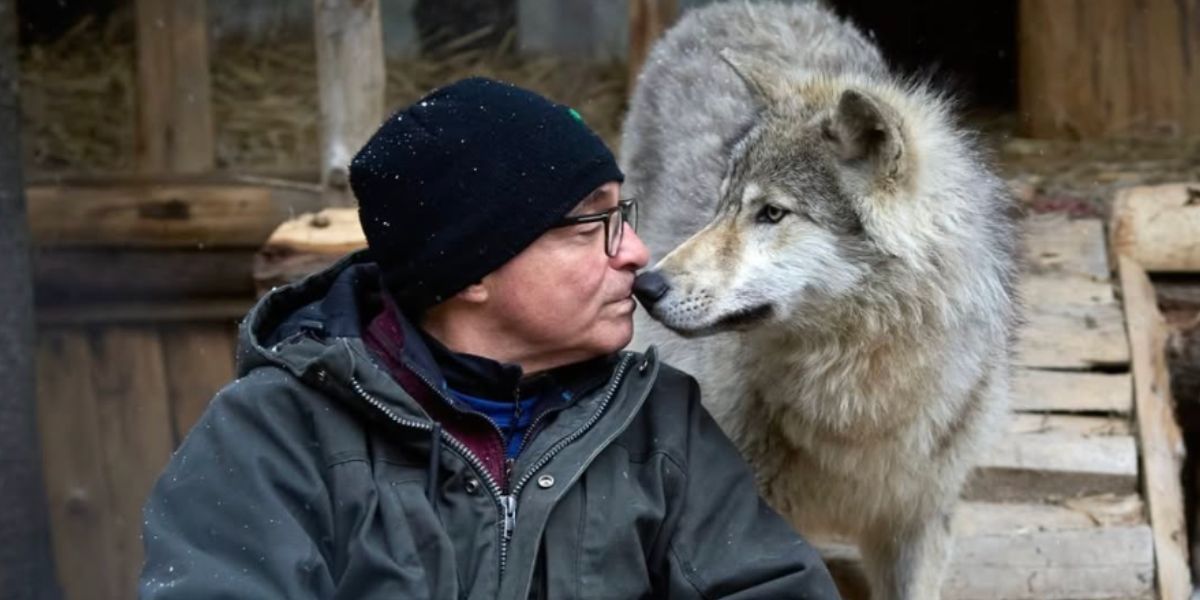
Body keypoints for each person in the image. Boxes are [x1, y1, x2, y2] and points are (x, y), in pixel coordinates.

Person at [139, 77, 838, 599]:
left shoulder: (657, 424)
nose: (635, 252)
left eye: (621, 214)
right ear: (474, 267)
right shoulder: (273, 435)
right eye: (592, 224)